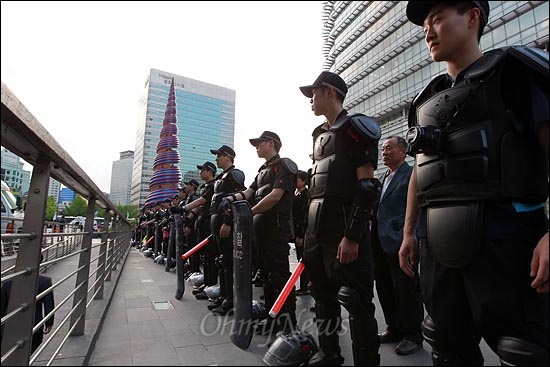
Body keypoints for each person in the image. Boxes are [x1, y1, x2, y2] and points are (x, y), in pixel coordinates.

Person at [399, 2, 549, 366]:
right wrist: (408, 233)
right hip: (437, 247)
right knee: (445, 346)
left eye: (437, 19)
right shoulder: (424, 101)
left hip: (507, 243)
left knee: (523, 351)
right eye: (424, 26)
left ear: (472, 17)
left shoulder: (513, 72)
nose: (428, 32)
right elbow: (421, 171)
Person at [299, 71, 382, 366]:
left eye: (314, 92)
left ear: (330, 92)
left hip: (344, 233)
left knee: (357, 303)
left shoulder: (356, 129)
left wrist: (353, 236)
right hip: (316, 234)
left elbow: (367, 186)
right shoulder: (318, 135)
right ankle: (330, 354)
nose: (311, 99)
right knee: (323, 298)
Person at [219, 131, 298, 335]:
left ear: (271, 144)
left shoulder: (285, 165)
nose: (256, 147)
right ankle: (272, 318)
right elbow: (249, 192)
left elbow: (275, 196)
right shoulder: (263, 170)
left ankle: (287, 323)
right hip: (259, 229)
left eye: (259, 143)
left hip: (276, 228)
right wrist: (232, 199)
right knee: (265, 276)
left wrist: (249, 212)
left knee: (278, 276)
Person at [371, 136, 423, 355]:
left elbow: (417, 208)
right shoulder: (384, 177)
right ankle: (394, 328)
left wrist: (409, 236)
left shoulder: (412, 175)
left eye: (390, 148)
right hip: (380, 242)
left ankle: (412, 335)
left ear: (403, 151)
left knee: (406, 289)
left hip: (401, 241)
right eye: (383, 149)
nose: (385, 152)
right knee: (384, 287)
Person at [207, 145, 245, 314]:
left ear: (228, 157)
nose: (217, 159)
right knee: (222, 261)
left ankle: (230, 299)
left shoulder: (234, 175)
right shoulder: (222, 177)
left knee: (228, 262)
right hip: (217, 223)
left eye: (220, 156)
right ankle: (224, 296)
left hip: (225, 225)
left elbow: (235, 202)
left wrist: (228, 222)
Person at [181, 161, 218, 306]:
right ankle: (207, 283)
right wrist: (187, 216)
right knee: (206, 256)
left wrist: (184, 208)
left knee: (211, 256)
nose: (201, 172)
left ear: (210, 171)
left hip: (210, 224)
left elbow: (202, 201)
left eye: (203, 170)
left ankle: (211, 284)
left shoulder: (214, 186)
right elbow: (198, 208)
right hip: (202, 224)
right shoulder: (205, 187)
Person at [1, 254, 55, 354]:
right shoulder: (45, 281)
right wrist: (49, 323)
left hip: (8, 329)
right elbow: (49, 304)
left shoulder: (8, 281)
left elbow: (2, 304)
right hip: (33, 328)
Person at [291, 170, 310, 296]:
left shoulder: (305, 196)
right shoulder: (297, 194)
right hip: (297, 231)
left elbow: (304, 216)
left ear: (303, 181)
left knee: (303, 260)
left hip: (302, 233)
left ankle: (305, 286)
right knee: (301, 259)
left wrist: (300, 235)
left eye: (297, 179)